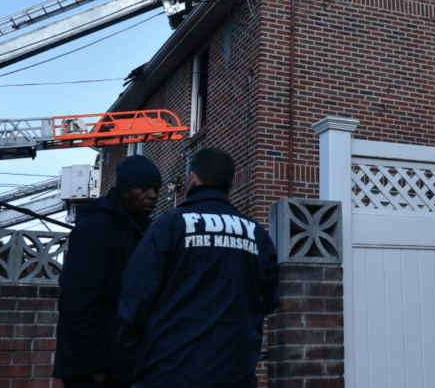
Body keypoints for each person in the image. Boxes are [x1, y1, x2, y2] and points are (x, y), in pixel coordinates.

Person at [116, 148, 280, 388]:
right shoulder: (256, 234)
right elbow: (269, 299)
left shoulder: (170, 225)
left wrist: (125, 364)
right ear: (230, 184)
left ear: (193, 178)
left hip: (166, 374)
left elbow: (135, 298)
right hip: (234, 375)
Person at [53, 155, 163, 388]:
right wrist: (97, 366)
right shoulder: (96, 226)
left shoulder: (140, 230)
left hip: (121, 364)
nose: (153, 195)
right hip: (93, 370)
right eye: (144, 188)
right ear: (124, 188)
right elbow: (78, 300)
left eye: (156, 188)